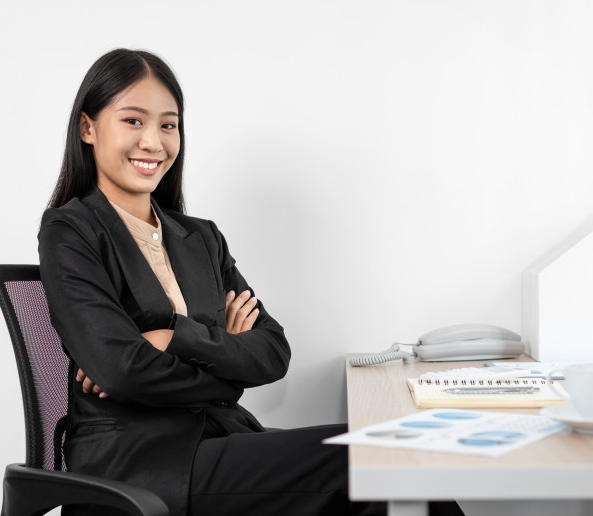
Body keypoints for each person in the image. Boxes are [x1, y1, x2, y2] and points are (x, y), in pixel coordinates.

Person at [39, 48, 464, 516]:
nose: (154, 142)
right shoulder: (70, 231)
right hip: (140, 465)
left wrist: (174, 338)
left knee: (399, 457)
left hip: (220, 438)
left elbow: (273, 352)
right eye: (133, 121)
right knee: (374, 464)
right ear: (88, 128)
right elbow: (122, 370)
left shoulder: (201, 238)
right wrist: (226, 369)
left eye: (168, 125)